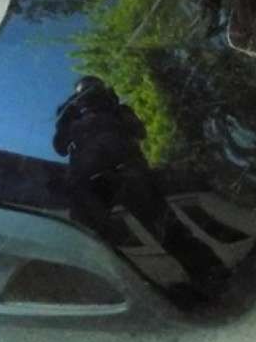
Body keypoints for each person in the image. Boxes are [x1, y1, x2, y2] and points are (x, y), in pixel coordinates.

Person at [54, 76, 229, 297]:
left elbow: (139, 132)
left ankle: (211, 273)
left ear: (103, 91)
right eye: (84, 94)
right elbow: (60, 147)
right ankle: (101, 292)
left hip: (128, 172)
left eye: (94, 91)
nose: (90, 98)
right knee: (86, 237)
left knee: (164, 225)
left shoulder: (117, 110)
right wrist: (65, 117)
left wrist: (113, 108)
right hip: (88, 182)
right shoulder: (72, 118)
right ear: (77, 98)